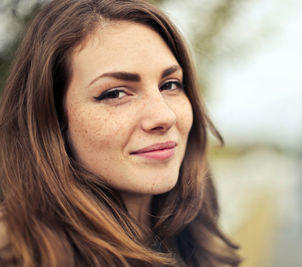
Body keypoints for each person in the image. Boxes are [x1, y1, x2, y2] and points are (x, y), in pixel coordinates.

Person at [0, 0, 241, 266]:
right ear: (53, 120)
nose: (164, 116)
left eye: (170, 85)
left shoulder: (194, 242)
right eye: (115, 93)